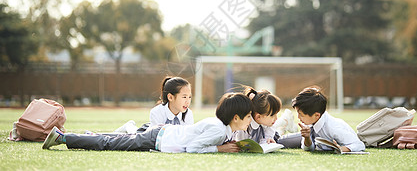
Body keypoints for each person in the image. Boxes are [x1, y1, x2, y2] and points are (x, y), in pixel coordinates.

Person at [42, 92, 253, 153]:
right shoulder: (218, 131)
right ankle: (64, 137)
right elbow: (192, 148)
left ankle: (83, 135)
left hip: (159, 133)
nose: (250, 121)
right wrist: (219, 149)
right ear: (236, 118)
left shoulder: (221, 126)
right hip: (157, 138)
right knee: (109, 144)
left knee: (113, 139)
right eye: (248, 117)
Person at [292, 86, 365, 152]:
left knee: (285, 141)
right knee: (282, 141)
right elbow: (309, 149)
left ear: (316, 115)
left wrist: (341, 149)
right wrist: (307, 138)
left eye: (301, 115)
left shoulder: (334, 129)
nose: (298, 117)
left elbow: (359, 145)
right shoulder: (310, 121)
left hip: (329, 132)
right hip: (307, 134)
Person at [114, 76, 194, 134]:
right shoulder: (157, 112)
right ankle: (129, 126)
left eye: (189, 97)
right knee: (135, 134)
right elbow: (155, 137)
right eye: (184, 97)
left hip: (165, 135)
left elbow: (188, 135)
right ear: (170, 97)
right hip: (148, 133)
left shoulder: (188, 114)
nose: (188, 101)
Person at [235, 86, 302, 148]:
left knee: (276, 134)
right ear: (258, 117)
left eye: (276, 114)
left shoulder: (267, 123)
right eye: (272, 115)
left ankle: (285, 121)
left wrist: (267, 141)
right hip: (262, 132)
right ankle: (285, 121)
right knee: (277, 129)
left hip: (271, 134)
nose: (276, 118)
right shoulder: (244, 125)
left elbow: (267, 138)